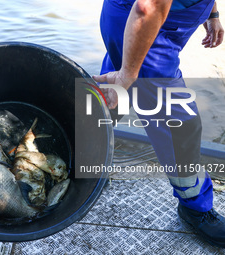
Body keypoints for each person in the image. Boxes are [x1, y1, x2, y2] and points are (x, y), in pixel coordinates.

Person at [93, 0, 225, 248]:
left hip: (139, 22)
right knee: (180, 125)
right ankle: (194, 206)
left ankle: (83, 162)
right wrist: (128, 74)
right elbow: (147, 7)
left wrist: (211, 11)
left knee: (112, 96)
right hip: (146, 25)